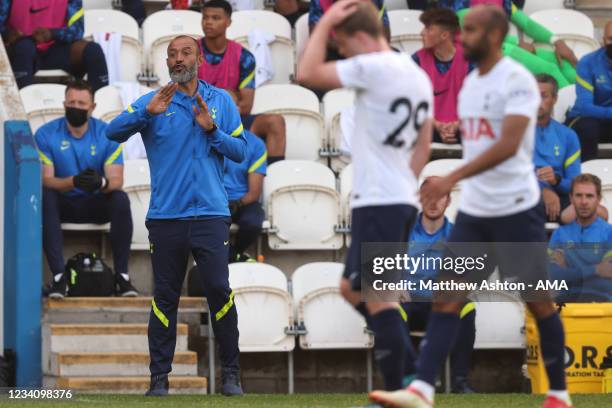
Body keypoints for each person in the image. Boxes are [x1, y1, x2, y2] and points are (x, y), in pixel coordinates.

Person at [369, 6, 570, 408]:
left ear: (494, 37)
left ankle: (559, 394)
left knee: (537, 300)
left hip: (516, 208)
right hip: (477, 211)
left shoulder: (518, 82)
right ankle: (422, 391)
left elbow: (509, 145)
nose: (464, 38)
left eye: (472, 30)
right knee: (447, 295)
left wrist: (452, 178)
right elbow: (475, 140)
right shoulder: (473, 83)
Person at [297, 0, 434, 392]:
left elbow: (306, 72)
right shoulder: (415, 73)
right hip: (393, 197)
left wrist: (325, 25)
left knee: (379, 298)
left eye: (344, 46)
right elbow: (423, 146)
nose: (343, 54)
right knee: (352, 289)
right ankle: (409, 373)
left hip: (380, 201)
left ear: (360, 36)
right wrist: (401, 183)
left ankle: (401, 390)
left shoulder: (374, 66)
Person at [106, 35, 246, 397]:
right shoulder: (154, 101)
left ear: (199, 58)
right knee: (165, 296)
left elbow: (240, 152)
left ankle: (231, 375)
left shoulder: (220, 102)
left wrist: (211, 130)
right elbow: (111, 132)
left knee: (219, 290)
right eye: (172, 54)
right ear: (166, 62)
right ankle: (159, 379)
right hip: (167, 217)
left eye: (185, 53)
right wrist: (144, 113)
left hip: (212, 215)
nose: (178, 59)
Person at [35, 79, 137, 299]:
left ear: (92, 107)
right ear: (64, 104)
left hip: (95, 203)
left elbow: (116, 180)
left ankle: (122, 276)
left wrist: (99, 183)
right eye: (71, 102)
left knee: (120, 198)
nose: (76, 107)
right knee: (46, 196)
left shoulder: (108, 133)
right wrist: (74, 181)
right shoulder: (45, 134)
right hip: (63, 203)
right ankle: (59, 277)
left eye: (82, 103)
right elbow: (46, 179)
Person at [403, 177, 476, 394]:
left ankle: (459, 381)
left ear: (448, 200)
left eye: (440, 196)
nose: (434, 203)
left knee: (467, 307)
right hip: (410, 302)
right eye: (428, 197)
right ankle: (406, 379)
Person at [198, 0, 286, 164]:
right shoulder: (191, 53)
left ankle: (275, 177)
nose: (209, 22)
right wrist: (227, 96)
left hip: (234, 118)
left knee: (276, 122)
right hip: (197, 118)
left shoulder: (243, 57)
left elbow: (246, 106)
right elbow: (184, 96)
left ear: (228, 22)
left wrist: (214, 98)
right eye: (205, 17)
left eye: (216, 18)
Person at [438, 0, 578, 89]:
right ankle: (572, 114)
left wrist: (556, 41)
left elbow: (527, 23)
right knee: (549, 69)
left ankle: (584, 103)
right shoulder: (459, 2)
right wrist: (517, 43)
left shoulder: (504, 2)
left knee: (562, 62)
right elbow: (481, 32)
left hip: (502, 45)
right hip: (479, 51)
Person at [0, 0, 109, 91]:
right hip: (21, 49)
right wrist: (7, 34)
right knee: (24, 47)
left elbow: (78, 30)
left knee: (93, 50)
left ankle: (98, 106)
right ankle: (24, 107)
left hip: (56, 47)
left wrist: (52, 34)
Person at [413, 8, 474, 145]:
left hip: (464, 127)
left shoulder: (470, 59)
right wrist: (437, 125)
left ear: (444, 35)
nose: (421, 33)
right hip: (428, 127)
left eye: (428, 29)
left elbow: (479, 102)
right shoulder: (417, 60)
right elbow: (414, 101)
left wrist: (456, 125)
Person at [549, 174, 612, 303]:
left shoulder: (609, 233)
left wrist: (569, 274)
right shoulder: (560, 234)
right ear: (571, 198)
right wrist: (596, 270)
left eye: (589, 196)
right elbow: (553, 275)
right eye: (579, 195)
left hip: (603, 305)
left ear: (598, 199)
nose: (584, 202)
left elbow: (608, 274)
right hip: (566, 304)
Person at [534, 74, 581, 222]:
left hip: (559, 196)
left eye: (543, 96)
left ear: (554, 99)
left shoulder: (568, 136)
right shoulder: (514, 131)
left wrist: (556, 180)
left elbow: (574, 182)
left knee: (598, 213)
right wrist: (543, 190)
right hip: (524, 197)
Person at [566, 21, 612, 161]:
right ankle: (587, 178)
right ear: (603, 40)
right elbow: (586, 108)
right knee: (589, 127)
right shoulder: (588, 62)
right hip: (584, 120)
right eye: (611, 39)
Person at [224, 126, 267, 262]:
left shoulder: (255, 143)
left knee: (253, 222)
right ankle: (238, 258)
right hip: (213, 201)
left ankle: (235, 254)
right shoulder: (205, 139)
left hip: (242, 201)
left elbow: (254, 192)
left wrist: (237, 204)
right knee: (207, 223)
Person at [309, 0, 390, 62]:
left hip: (371, 52)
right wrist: (349, 47)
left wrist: (364, 50)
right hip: (335, 52)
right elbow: (314, 34)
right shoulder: (318, 1)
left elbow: (386, 33)